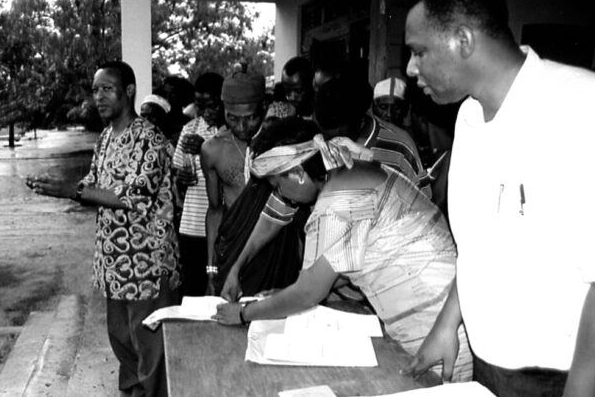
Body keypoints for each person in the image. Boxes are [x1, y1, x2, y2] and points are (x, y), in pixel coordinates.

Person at [401, 0, 595, 396]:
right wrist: (447, 324)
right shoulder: (468, 116)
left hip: (563, 379)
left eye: (418, 52)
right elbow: (481, 246)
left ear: (462, 40)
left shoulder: (592, 108)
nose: (411, 69)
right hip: (490, 368)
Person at [213, 117, 473, 382]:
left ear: (299, 174)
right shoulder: (350, 171)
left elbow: (308, 293)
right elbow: (336, 263)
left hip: (436, 330)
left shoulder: (339, 202)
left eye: (278, 185)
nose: (282, 195)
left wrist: (244, 314)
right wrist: (272, 287)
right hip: (445, 314)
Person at [26, 61, 180, 396]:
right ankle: (133, 390)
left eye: (107, 88)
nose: (99, 97)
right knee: (120, 336)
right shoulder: (107, 137)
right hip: (114, 259)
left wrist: (74, 190)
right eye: (95, 90)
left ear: (128, 91)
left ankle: (154, 392)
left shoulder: (149, 138)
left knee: (149, 341)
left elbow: (134, 197)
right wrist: (56, 185)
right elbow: (93, 183)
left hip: (146, 261)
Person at [219, 75, 428, 302]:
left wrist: (303, 291)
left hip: (392, 282)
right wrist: (237, 266)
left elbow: (394, 236)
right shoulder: (316, 145)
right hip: (334, 281)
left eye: (336, 132)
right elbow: (275, 214)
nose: (328, 141)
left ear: (359, 122)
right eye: (323, 131)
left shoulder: (393, 151)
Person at [200, 71, 265, 294]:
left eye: (251, 117)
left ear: (263, 108)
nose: (242, 126)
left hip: (272, 251)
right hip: (233, 250)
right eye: (233, 118)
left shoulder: (279, 143)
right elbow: (215, 211)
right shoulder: (213, 149)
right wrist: (211, 268)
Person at [173, 72, 225, 297]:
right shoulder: (191, 128)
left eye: (211, 105)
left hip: (222, 224)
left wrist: (205, 147)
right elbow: (178, 171)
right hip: (192, 223)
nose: (206, 112)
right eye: (200, 105)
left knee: (219, 287)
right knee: (193, 289)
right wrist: (181, 181)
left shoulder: (232, 130)